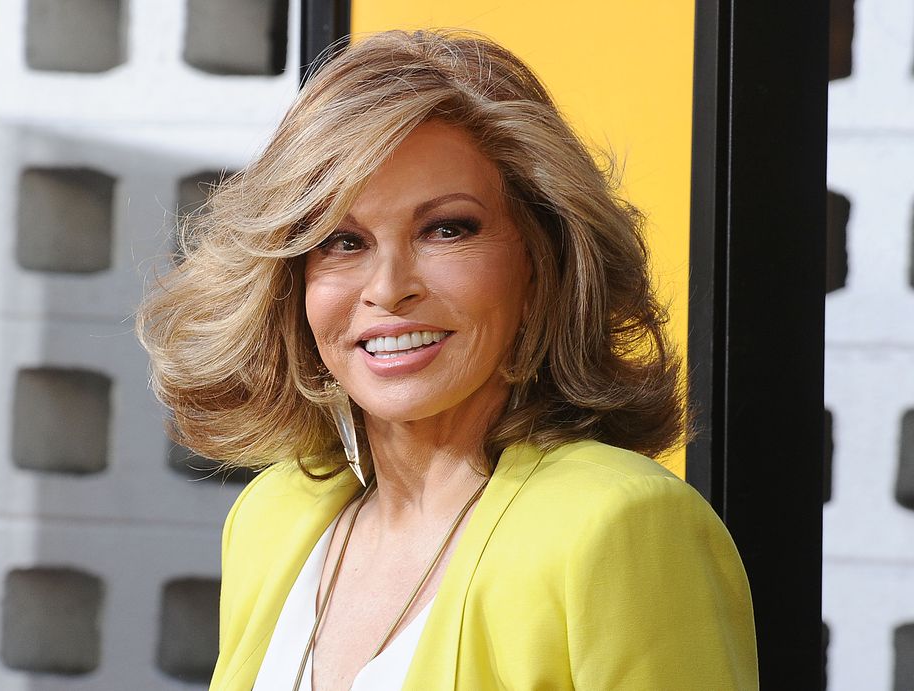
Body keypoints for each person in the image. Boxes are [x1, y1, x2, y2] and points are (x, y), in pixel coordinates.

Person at [138, 29, 758, 691]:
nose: (387, 288)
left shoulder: (622, 526)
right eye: (343, 241)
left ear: (541, 263)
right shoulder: (271, 517)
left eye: (445, 229)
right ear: (292, 283)